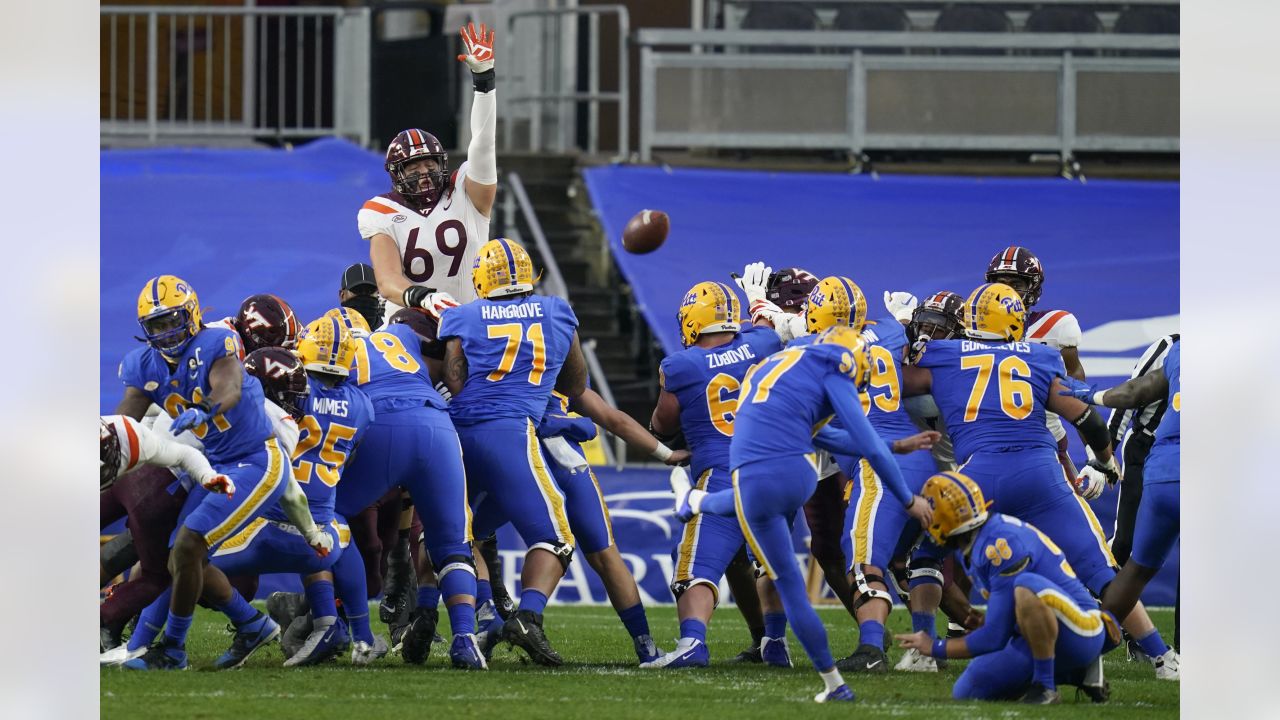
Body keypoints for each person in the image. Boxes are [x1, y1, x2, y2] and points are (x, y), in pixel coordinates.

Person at [903, 282, 1179, 680]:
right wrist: (1105, 460)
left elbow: (895, 383)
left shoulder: (941, 356)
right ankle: (1161, 657)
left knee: (927, 553)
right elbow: (1083, 416)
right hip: (1039, 474)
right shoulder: (1040, 355)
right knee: (1101, 570)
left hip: (977, 476)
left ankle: (923, 650)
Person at [673, 325, 934, 702]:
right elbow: (863, 447)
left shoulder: (781, 364)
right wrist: (908, 499)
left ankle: (692, 503)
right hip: (799, 475)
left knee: (780, 564)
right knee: (773, 549)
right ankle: (833, 685)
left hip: (754, 474)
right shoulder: (835, 365)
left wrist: (894, 444)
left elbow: (830, 436)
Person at [116, 275, 289, 670]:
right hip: (212, 466)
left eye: (171, 320)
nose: (165, 332)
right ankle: (252, 624)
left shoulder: (216, 342)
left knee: (188, 545)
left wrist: (205, 409)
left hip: (255, 459)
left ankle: (173, 650)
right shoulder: (143, 365)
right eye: (156, 325)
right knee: (180, 556)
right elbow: (127, 420)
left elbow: (227, 386)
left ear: (191, 315)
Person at [438, 237, 588, 666]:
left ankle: (475, 623)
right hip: (511, 432)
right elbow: (575, 384)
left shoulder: (461, 316)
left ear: (481, 281)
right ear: (529, 275)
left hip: (458, 430)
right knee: (556, 537)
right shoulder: (557, 310)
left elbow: (455, 377)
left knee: (459, 534)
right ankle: (528, 618)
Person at [333, 302, 485, 669]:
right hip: (436, 422)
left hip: (381, 424)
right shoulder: (397, 334)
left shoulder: (329, 345)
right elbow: (444, 353)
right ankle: (465, 638)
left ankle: (346, 628)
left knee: (327, 517)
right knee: (452, 544)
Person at [642, 281, 783, 669]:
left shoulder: (681, 366)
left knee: (694, 567)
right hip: (775, 472)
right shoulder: (764, 343)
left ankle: (692, 642)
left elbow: (663, 424)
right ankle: (774, 640)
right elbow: (767, 327)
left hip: (722, 473)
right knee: (771, 563)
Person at [895, 472, 1118, 704]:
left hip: (1080, 628)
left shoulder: (1001, 544)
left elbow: (993, 638)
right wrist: (991, 622)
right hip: (1042, 630)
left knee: (1026, 586)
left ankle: (1045, 687)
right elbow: (1003, 624)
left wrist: (934, 646)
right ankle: (1078, 673)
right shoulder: (977, 539)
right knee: (968, 690)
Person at [523, 384, 686, 665]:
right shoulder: (558, 374)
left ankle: (480, 629)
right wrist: (667, 455)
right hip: (563, 464)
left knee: (475, 538)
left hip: (517, 460)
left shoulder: (497, 374)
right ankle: (644, 645)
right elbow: (614, 419)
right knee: (604, 554)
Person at [359, 23, 498, 310]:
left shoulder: (465, 193)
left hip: (468, 320)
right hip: (412, 321)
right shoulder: (381, 211)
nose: (423, 173)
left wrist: (484, 83)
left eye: (429, 163)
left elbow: (483, 144)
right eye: (413, 167)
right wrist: (425, 298)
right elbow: (387, 281)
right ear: (397, 175)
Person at [1059, 341, 1181, 634]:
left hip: (1163, 465)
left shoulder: (1181, 351)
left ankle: (1089, 642)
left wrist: (1094, 396)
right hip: (1187, 460)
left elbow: (1136, 390)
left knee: (1136, 568)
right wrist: (1105, 456)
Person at [983, 247, 1088, 478]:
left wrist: (1095, 454)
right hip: (984, 445)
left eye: (1015, 283)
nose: (1007, 291)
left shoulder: (1056, 326)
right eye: (1001, 283)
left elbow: (1079, 397)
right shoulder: (968, 327)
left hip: (1044, 443)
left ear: (1033, 288)